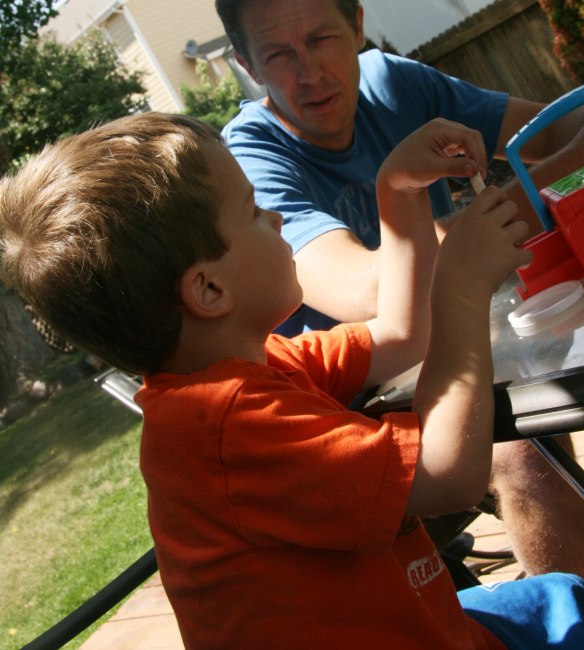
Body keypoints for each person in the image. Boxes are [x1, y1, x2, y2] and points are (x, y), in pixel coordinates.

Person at [1, 111, 583, 650]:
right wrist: (460, 289)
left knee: (563, 599)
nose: (277, 217)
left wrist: (397, 195)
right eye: (254, 211)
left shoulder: (257, 366)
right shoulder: (223, 427)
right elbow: (445, 475)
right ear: (209, 290)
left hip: (426, 622)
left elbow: (404, 333)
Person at [216, 0, 584, 577]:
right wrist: (530, 202)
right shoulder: (251, 157)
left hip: (459, 344)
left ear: (357, 25)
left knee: (545, 399)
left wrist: (546, 175)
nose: (309, 73)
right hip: (348, 412)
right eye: (277, 55)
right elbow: (372, 291)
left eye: (323, 39)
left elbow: (556, 128)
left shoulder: (393, 85)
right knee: (523, 450)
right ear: (247, 66)